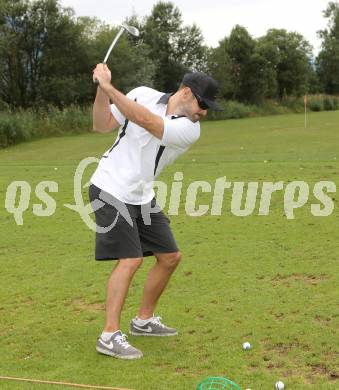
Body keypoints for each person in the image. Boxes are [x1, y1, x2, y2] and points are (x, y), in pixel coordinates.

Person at [89, 63, 220, 360]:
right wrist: (101, 89)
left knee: (170, 256)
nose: (204, 113)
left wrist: (110, 87)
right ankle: (109, 335)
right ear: (186, 92)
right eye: (203, 104)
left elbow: (147, 121)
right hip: (109, 186)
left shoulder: (190, 130)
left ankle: (143, 321)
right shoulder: (141, 94)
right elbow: (101, 124)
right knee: (131, 259)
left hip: (140, 194)